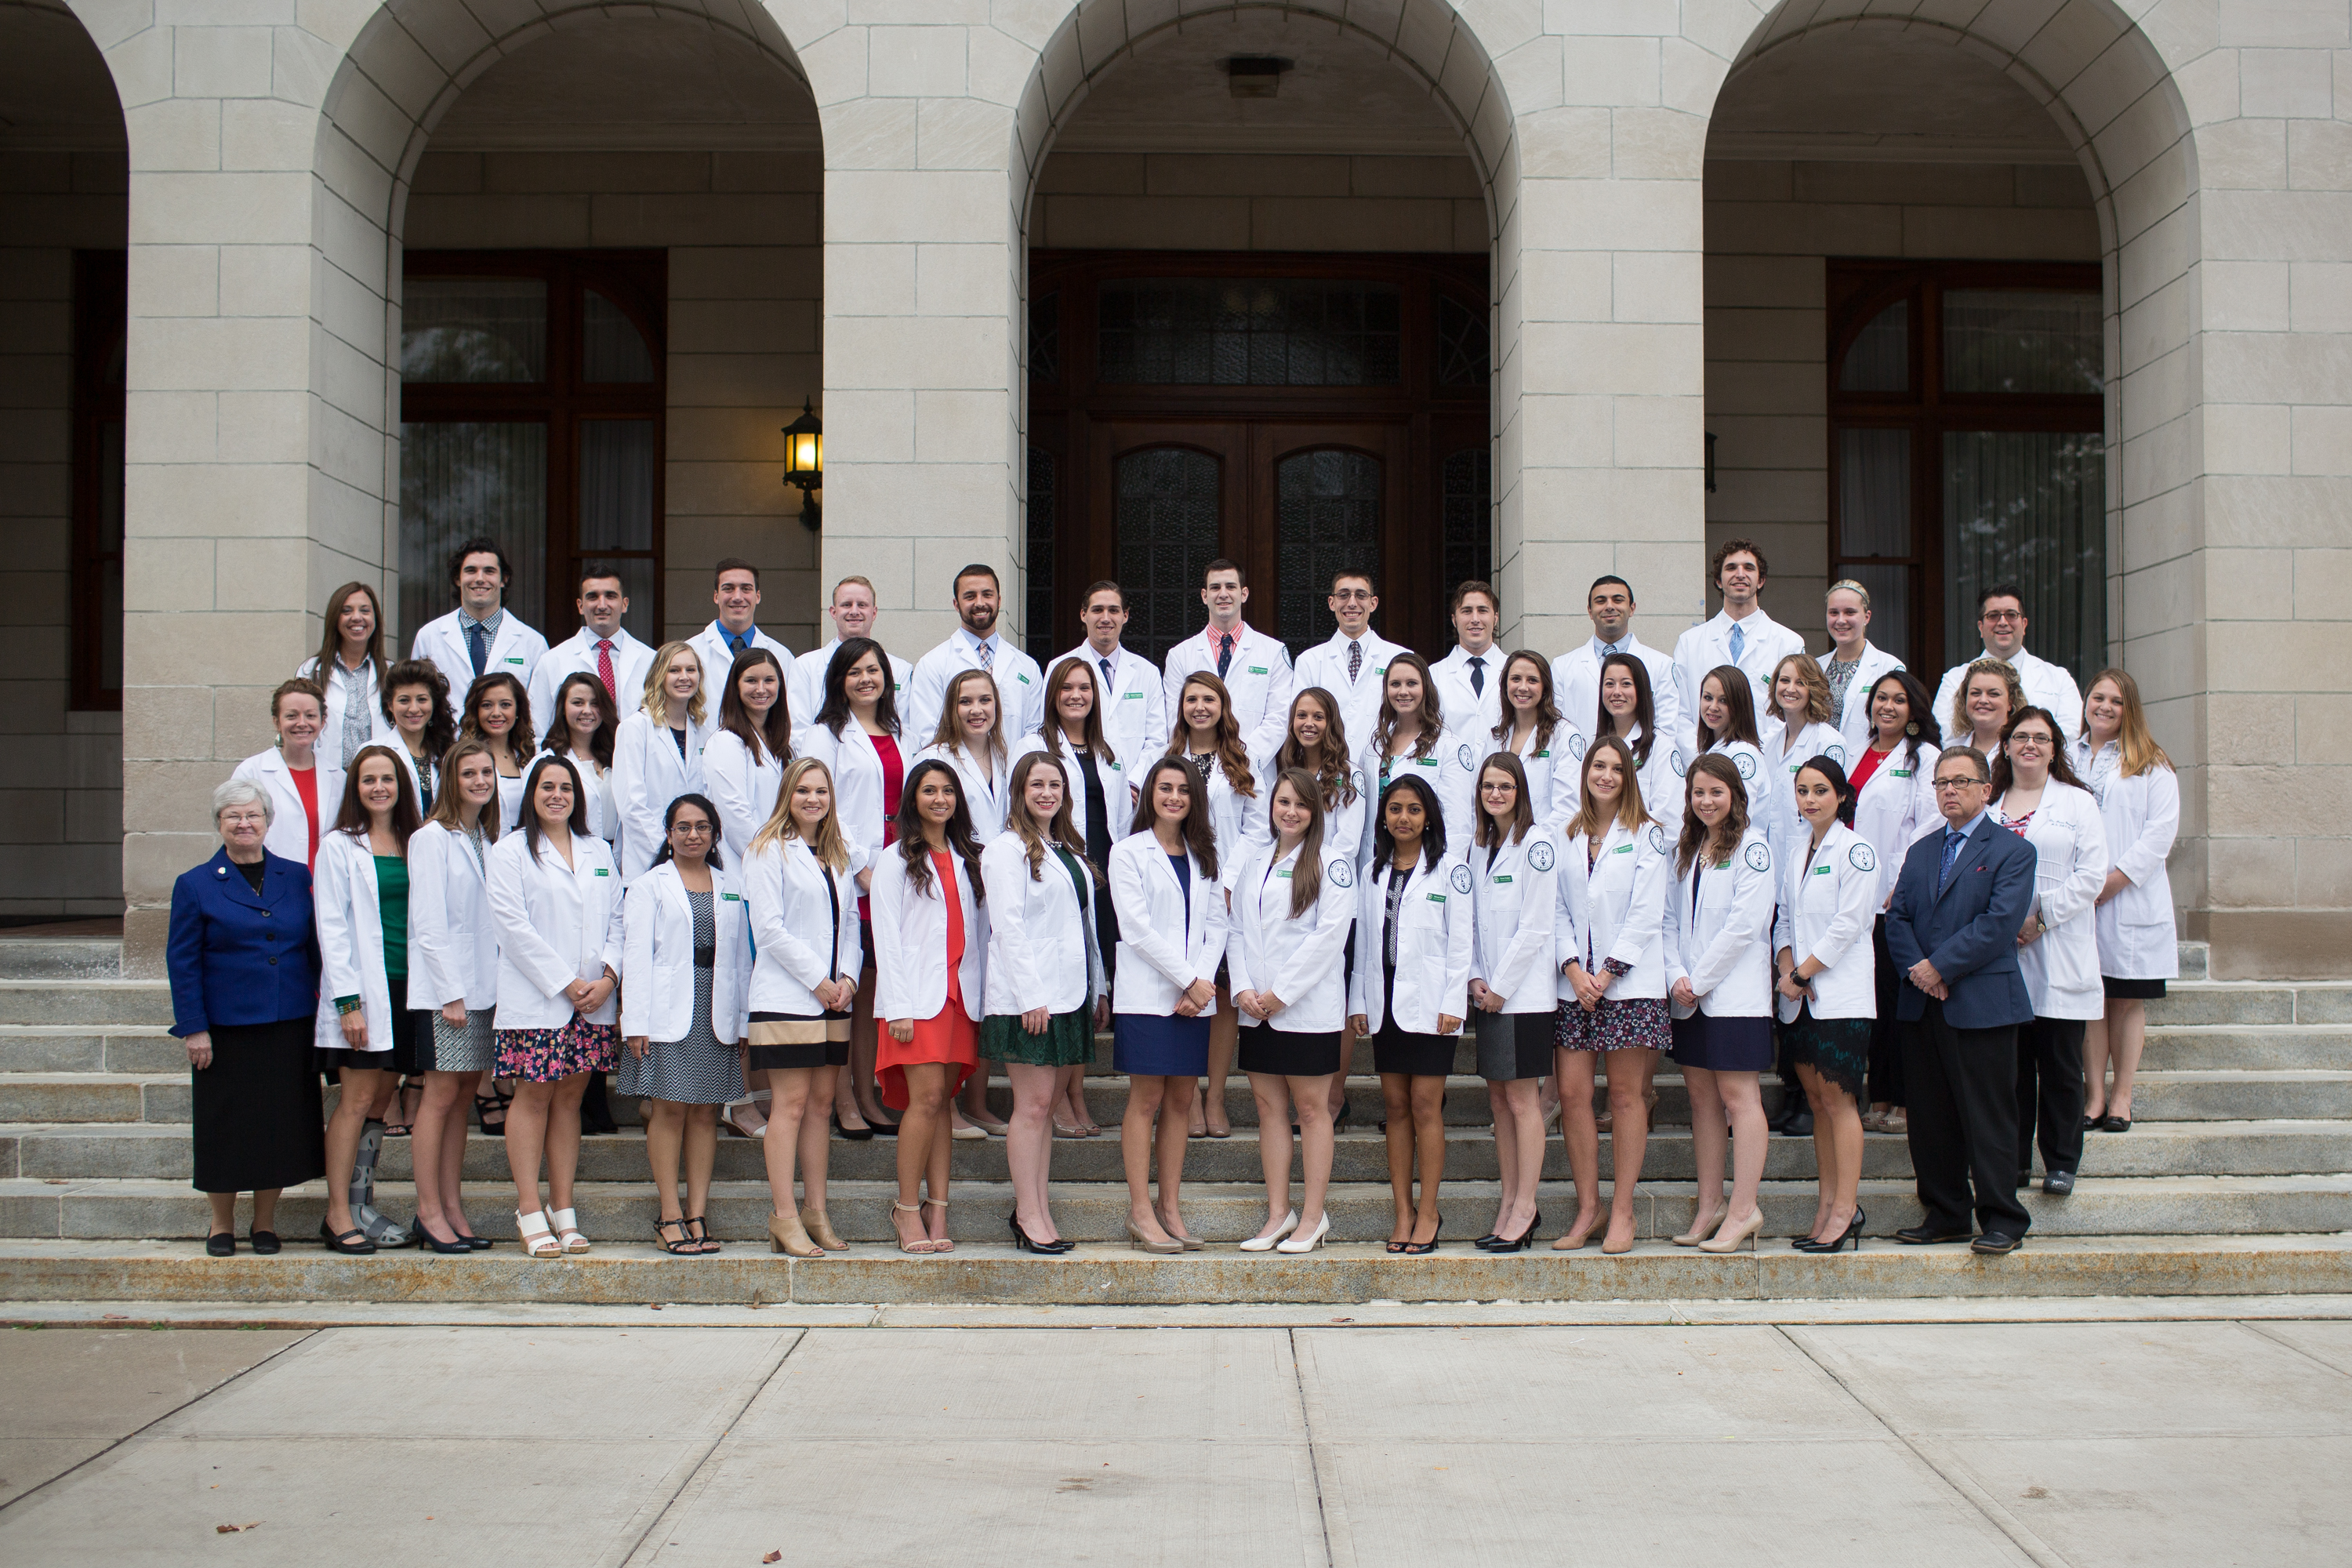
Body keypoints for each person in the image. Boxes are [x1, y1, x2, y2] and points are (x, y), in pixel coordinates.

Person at [1885, 744, 2039, 1254]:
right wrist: (1920, 972)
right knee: (1930, 1117)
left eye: (1960, 781)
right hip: (1923, 1003)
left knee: (1988, 1115)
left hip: (1982, 1005)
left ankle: (2002, 1219)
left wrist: (1940, 966)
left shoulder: (2012, 851)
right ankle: (1946, 1212)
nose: (1949, 790)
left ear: (1986, 789)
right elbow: (1899, 918)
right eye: (1941, 783)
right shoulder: (1922, 850)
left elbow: (1998, 925)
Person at [167, 780, 325, 1256]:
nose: (244, 824)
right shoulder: (195, 883)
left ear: (267, 821)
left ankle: (264, 1223)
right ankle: (220, 1223)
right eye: (233, 816)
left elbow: (315, 949)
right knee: (226, 1126)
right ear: (219, 823)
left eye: (253, 815)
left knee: (277, 1125)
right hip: (226, 1029)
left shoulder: (295, 876)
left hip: (288, 1022)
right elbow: (183, 962)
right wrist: (194, 1027)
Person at [485, 754, 623, 1260]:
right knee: (535, 1097)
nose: (557, 795)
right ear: (531, 794)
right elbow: (513, 929)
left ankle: (563, 1209)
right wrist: (567, 984)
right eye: (547, 786)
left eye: (566, 787)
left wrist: (608, 978)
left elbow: (618, 921)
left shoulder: (599, 850)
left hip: (592, 1002)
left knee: (570, 1101)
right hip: (540, 999)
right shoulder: (510, 852)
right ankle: (528, 1207)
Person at [980, 752, 1109, 1252]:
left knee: (1047, 1106)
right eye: (1036, 784)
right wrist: (1031, 996)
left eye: (1055, 784)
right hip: (1028, 998)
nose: (1046, 793)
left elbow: (1082, 929)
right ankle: (1029, 1215)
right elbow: (1007, 926)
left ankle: (1034, 1207)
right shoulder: (1005, 849)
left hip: (1068, 992)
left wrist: (1099, 987)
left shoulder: (1066, 848)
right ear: (1019, 791)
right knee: (1032, 1107)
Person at [1228, 768, 1356, 1255]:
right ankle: (1278, 1214)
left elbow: (1329, 939)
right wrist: (1242, 988)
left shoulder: (1332, 862)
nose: (1291, 811)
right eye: (1283, 801)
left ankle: (1312, 1216)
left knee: (1311, 1110)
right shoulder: (1255, 860)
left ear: (1315, 811)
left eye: (1301, 804)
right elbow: (1236, 928)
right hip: (1255, 1008)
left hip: (1303, 1010)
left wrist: (1280, 994)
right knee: (1268, 1110)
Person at [1552, 736, 1671, 1254]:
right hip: (1574, 988)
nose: (1605, 775)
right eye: (1597, 766)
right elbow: (1553, 907)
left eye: (1615, 768)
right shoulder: (1566, 835)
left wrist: (1607, 972)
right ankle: (1588, 1207)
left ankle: (1622, 1211)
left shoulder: (1648, 835)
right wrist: (1574, 968)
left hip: (1628, 986)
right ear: (1585, 773)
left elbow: (1647, 912)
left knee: (1625, 1097)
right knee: (1574, 1097)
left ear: (1628, 777)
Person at [622, 793, 751, 1256]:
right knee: (670, 1110)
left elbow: (741, 959)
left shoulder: (731, 884)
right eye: (683, 827)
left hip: (717, 1010)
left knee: (705, 1113)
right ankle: (669, 1215)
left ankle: (697, 1214)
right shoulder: (649, 885)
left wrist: (742, 1024)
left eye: (702, 826)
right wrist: (634, 1021)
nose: (693, 834)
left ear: (715, 833)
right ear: (668, 834)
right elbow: (634, 956)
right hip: (666, 1012)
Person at [744, 760, 863, 1257]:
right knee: (789, 1108)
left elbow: (851, 921)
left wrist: (850, 978)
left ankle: (816, 1210)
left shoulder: (836, 853)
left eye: (821, 791)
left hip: (835, 998)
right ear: (787, 795)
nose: (813, 799)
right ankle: (784, 1216)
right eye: (803, 791)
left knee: (820, 1107)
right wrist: (818, 980)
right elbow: (769, 928)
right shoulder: (767, 849)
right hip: (789, 996)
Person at [1109, 757, 1228, 1253]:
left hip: (1192, 996)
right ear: (1149, 795)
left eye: (1183, 789)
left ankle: (1170, 1208)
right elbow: (1136, 928)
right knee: (1147, 1100)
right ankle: (1141, 1211)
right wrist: (1189, 980)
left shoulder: (1205, 853)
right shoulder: (1128, 853)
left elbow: (1217, 922)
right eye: (1165, 788)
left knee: (1182, 1099)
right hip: (1147, 996)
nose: (1174, 797)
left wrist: (1199, 982)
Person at [1349, 774, 1471, 1254]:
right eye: (1395, 808)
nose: (1404, 817)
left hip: (1431, 1007)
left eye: (1414, 810)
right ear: (1384, 816)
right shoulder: (1372, 872)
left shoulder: (1450, 870)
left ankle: (1429, 1210)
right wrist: (1358, 1000)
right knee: (1396, 1108)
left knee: (1426, 1106)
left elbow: (1462, 943)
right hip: (1385, 1005)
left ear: (1429, 817)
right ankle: (1402, 1210)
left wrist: (1453, 1002)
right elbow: (1362, 945)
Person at [871, 758, 989, 1254]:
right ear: (912, 800)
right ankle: (905, 1208)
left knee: (943, 1101)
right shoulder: (896, 859)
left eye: (947, 791)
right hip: (916, 1001)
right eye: (928, 791)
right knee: (924, 1101)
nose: (939, 799)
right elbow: (886, 938)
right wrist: (897, 1005)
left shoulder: (969, 857)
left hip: (960, 997)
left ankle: (938, 1207)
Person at [311, 744, 425, 1253]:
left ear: (401, 784)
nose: (379, 787)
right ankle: (337, 1213)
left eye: (387, 778)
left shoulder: (415, 840)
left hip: (409, 989)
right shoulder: (340, 845)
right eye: (368, 779)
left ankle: (362, 1204)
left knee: (382, 1098)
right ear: (355, 788)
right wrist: (347, 1003)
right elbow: (331, 928)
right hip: (364, 992)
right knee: (356, 1100)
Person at [1662, 754, 1775, 1254]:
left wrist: (1701, 978)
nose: (1706, 802)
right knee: (1702, 1102)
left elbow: (1746, 925)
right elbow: (1668, 922)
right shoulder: (1687, 849)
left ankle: (1744, 1207)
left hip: (1733, 998)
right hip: (1688, 996)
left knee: (1738, 1099)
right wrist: (1677, 977)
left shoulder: (1753, 848)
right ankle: (1708, 1206)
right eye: (1698, 793)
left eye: (1716, 793)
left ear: (1735, 796)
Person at [1991, 708, 2107, 1196]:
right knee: (2010, 1070)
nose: (2030, 745)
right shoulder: (1990, 802)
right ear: (2007, 745)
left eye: (2040, 737)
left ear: (2055, 748)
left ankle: (2061, 1161)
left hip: (2058, 946)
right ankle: (2012, 1162)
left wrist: (2042, 917)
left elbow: (2093, 875)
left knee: (2060, 1066)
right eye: (2021, 736)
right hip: (2000, 954)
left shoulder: (2078, 803)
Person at [800, 637, 905, 1138]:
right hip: (851, 875)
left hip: (897, 872)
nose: (866, 679)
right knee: (846, 990)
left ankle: (867, 1092)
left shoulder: (897, 731)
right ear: (839, 681)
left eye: (874, 669)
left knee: (871, 997)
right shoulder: (827, 734)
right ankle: (842, 1097)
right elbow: (820, 805)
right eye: (855, 671)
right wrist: (860, 867)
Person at [1773, 756, 1878, 1253]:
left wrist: (1801, 973)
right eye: (1802, 790)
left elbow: (1849, 924)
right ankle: (1826, 1204)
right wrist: (1786, 968)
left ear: (1841, 796)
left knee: (1839, 1102)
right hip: (1801, 997)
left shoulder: (1856, 851)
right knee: (1816, 1103)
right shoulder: (1796, 853)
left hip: (1839, 997)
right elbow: (1785, 923)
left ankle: (1846, 1208)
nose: (1810, 799)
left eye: (1820, 790)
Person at [1022, 656, 1128, 1136]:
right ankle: (1060, 1097)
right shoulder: (1034, 745)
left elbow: (1122, 814)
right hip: (1057, 867)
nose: (1076, 696)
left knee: (1089, 983)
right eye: (1066, 688)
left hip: (1102, 874)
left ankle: (1077, 1092)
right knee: (1064, 983)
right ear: (1052, 694)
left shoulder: (1109, 749)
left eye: (1084, 688)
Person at [407, 739, 504, 1249]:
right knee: (440, 1095)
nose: (480, 781)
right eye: (469, 773)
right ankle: (428, 1211)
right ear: (451, 780)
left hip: (484, 990)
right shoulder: (432, 838)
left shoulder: (486, 838)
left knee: (465, 1093)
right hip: (447, 994)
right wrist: (450, 993)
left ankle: (452, 1206)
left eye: (486, 772)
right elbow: (428, 923)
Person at [2075, 669, 2181, 1133]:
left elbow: (2160, 835)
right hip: (2079, 898)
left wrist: (2114, 880)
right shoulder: (2068, 756)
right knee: (2090, 997)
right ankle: (2094, 1096)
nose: (2104, 707)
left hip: (2129, 896)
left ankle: (2122, 1097)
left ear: (2129, 709)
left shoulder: (2150, 763)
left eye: (2116, 701)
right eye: (2098, 697)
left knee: (2125, 999)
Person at [1467, 754, 1559, 1253]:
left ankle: (1526, 1207)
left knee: (1522, 1100)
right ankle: (1509, 1201)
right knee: (1499, 1100)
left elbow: (1536, 925)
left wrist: (1500, 985)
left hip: (1523, 998)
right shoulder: (1481, 846)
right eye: (1488, 786)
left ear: (1521, 790)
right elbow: (1474, 924)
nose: (1496, 794)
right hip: (1490, 996)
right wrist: (1477, 979)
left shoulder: (1537, 843)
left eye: (1505, 786)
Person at [1166, 670, 1260, 1138]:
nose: (1199, 707)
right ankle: (1186, 1097)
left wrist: (1228, 880)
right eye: (1191, 699)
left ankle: (1215, 1096)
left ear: (1223, 706)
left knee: (1222, 994)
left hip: (1229, 889)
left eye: (1209, 699)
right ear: (1181, 706)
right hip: (1179, 886)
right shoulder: (1166, 760)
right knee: (1187, 984)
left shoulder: (1243, 762)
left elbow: (1258, 830)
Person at [1849, 670, 1943, 1136]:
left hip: (1896, 898)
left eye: (1899, 700)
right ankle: (1880, 1093)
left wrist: (1904, 877)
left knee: (1898, 999)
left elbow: (1930, 822)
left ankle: (1905, 1100)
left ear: (1914, 709)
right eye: (1881, 698)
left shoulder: (1924, 756)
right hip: (1856, 894)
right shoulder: (1858, 751)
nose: (1887, 706)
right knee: (1874, 1004)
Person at [1162, 558, 1294, 760]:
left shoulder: (1273, 652)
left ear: (1244, 594)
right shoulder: (1180, 655)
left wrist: (1243, 759)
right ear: (1205, 596)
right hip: (1195, 769)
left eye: (1230, 587)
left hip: (1251, 771)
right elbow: (1174, 719)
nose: (1223, 594)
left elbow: (1279, 718)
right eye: (1215, 587)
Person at [408, 536, 548, 724]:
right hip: (446, 749)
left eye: (489, 571)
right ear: (458, 579)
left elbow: (539, 714)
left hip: (509, 750)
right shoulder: (429, 636)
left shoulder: (533, 643)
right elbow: (416, 699)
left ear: (503, 579)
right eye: (471, 571)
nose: (480, 579)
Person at [1673, 539, 1805, 732]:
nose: (1740, 574)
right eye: (1731, 568)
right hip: (1704, 757)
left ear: (1761, 581)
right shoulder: (1689, 642)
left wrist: (1757, 756)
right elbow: (1680, 712)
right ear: (1718, 581)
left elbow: (1792, 712)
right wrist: (1703, 756)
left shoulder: (1789, 643)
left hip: (1766, 757)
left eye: (1749, 568)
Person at [1552, 575, 1684, 760]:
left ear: (1632, 608)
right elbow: (1558, 730)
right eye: (1600, 601)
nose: (1609, 606)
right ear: (1590, 611)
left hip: (1640, 769)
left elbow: (1666, 730)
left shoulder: (1661, 664)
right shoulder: (1562, 667)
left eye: (1618, 600)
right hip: (1581, 772)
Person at [908, 563, 1044, 741]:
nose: (980, 603)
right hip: (954, 768)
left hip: (1015, 767)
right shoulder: (932, 664)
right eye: (970, 596)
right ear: (956, 604)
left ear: (999, 600)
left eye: (987, 595)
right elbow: (926, 735)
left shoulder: (1027, 667)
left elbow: (1034, 733)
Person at [1932, 584, 2083, 744]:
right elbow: (1944, 736)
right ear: (1981, 627)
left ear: (2024, 625)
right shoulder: (1955, 679)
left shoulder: (2059, 678)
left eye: (2011, 615)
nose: (2003, 622)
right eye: (1993, 615)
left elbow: (2070, 734)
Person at [613, 641, 713, 883]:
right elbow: (632, 805)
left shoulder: (704, 732)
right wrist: (668, 852)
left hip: (695, 863)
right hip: (650, 862)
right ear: (659, 675)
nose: (684, 677)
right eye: (674, 670)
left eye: (691, 670)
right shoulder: (635, 728)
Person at [1359, 651, 1474, 860]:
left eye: (1411, 683)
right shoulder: (1372, 749)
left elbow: (1458, 827)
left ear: (1426, 689)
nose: (1403, 692)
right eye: (1395, 684)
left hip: (1426, 865)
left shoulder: (1449, 746)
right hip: (1377, 862)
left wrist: (1444, 875)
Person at [786, 575, 913, 752]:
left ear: (874, 612)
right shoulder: (805, 666)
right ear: (833, 612)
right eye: (846, 605)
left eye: (862, 605)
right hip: (823, 771)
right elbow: (798, 733)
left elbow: (903, 731)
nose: (854, 611)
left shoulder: (900, 669)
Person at [1052, 579, 1170, 769]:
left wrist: (1133, 783)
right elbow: (1051, 730)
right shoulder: (1058, 668)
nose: (1105, 618)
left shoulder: (1147, 672)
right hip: (1078, 784)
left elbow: (1157, 739)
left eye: (1113, 610)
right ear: (1083, 615)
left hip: (1134, 790)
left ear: (1125, 615)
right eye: (1097, 610)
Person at [528, 569, 655, 744]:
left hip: (638, 762)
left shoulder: (651, 661)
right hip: (574, 766)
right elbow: (538, 729)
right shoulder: (552, 661)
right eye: (593, 597)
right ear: (580, 606)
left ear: (625, 604)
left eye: (610, 596)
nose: (602, 605)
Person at [1292, 568, 1408, 757]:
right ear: (1332, 602)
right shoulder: (1309, 661)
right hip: (1327, 770)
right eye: (1344, 595)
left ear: (1373, 603)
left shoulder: (1400, 657)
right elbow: (1300, 724)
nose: (1352, 603)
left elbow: (1413, 720)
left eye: (1361, 595)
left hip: (1385, 768)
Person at [702, 646, 792, 869]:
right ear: (736, 686)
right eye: (751, 681)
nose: (761, 689)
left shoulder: (783, 745)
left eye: (769, 680)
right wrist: (770, 861)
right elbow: (734, 817)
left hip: (782, 862)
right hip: (748, 866)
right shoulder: (726, 742)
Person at [234, 679, 339, 869]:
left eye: (310, 715)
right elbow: (237, 833)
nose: (302, 723)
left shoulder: (339, 777)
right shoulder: (251, 772)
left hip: (324, 884)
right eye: (292, 716)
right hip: (270, 882)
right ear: (277, 722)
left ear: (322, 721)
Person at [1258, 687, 1367, 866]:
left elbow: (1348, 844)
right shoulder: (1285, 776)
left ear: (1331, 723)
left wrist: (1315, 873)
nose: (1309, 723)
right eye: (1301, 715)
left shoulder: (1349, 776)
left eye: (1318, 717)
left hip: (1327, 878)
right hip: (1287, 875)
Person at [1480, 652, 1583, 833]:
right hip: (1497, 845)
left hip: (1544, 847)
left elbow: (1568, 809)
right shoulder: (1496, 737)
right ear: (1505, 686)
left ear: (1545, 688)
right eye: (1516, 679)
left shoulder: (1564, 735)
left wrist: (1529, 843)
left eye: (1532, 680)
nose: (1523, 687)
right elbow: (1481, 799)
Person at [1761, 653, 1849, 861]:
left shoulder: (1829, 743)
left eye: (1800, 683)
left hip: (1812, 855)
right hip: (1772, 853)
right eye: (1784, 681)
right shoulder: (1769, 742)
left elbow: (1831, 808)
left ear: (1814, 689)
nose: (1790, 689)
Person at [915, 666, 1011, 852]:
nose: (977, 710)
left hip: (1002, 867)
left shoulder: (1005, 757)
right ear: (952, 708)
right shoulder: (932, 758)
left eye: (985, 700)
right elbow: (917, 827)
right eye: (966, 702)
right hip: (956, 868)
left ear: (996, 705)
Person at [299, 582, 390, 769]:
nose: (357, 618)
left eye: (365, 611)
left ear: (375, 618)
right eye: (347, 611)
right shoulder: (311, 671)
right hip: (326, 774)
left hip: (377, 778)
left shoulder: (390, 672)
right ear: (335, 618)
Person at [1592, 651, 1680, 837]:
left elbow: (1670, 823)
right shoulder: (1594, 746)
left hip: (1643, 857)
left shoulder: (1661, 747)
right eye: (1610, 684)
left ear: (1641, 690)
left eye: (1626, 684)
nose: (1617, 692)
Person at [1820, 579, 1904, 752]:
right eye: (1834, 613)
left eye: (1850, 612)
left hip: (1864, 762)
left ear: (1867, 617)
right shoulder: (1815, 666)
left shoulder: (1890, 667)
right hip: (1818, 765)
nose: (1841, 620)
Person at [687, 557, 792, 696]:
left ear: (758, 596)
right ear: (716, 596)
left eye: (746, 589)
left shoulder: (782, 656)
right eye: (728, 589)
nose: (737, 597)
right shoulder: (691, 652)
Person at [543, 672, 620, 847]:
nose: (587, 711)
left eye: (595, 704)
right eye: (578, 703)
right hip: (570, 853)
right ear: (562, 708)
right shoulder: (547, 760)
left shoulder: (617, 756)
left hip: (617, 855)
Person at [1691, 664, 1771, 822]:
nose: (1713, 707)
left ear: (1739, 706)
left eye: (1723, 701)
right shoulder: (1713, 750)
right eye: (1708, 698)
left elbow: (1740, 817)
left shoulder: (1743, 755)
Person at [458, 670, 534, 832]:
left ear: (518, 710)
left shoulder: (530, 756)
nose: (496, 713)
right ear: (475, 711)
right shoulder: (461, 758)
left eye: (505, 705)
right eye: (487, 705)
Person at [1431, 579, 1506, 740]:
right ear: (1454, 619)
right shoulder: (1433, 676)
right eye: (1466, 611)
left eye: (1483, 610)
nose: (1475, 619)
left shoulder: (1514, 672)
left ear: (1495, 618)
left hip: (1504, 765)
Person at [377, 659, 454, 816]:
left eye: (422, 700)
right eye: (404, 700)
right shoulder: (374, 751)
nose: (414, 709)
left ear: (433, 703)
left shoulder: (447, 751)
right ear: (390, 705)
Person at [1949, 657, 2026, 760]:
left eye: (1993, 694)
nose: (1983, 700)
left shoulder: (2024, 749)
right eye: (1975, 693)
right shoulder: (1952, 749)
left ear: (2010, 702)